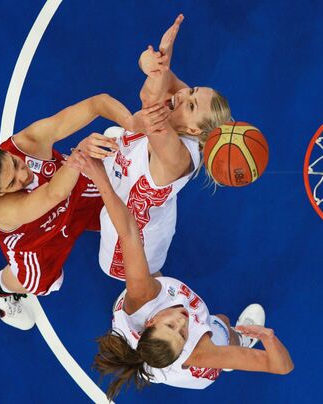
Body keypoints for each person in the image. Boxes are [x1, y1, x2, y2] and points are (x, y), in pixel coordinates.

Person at [64, 154, 294, 400]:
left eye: (171, 325)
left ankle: (125, 163)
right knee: (223, 323)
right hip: (188, 368)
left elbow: (129, 232)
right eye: (182, 334)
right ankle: (239, 338)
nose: (183, 322)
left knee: (145, 270)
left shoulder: (142, 294)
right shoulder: (201, 353)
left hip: (144, 333)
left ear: (150, 323)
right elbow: (282, 366)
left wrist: (101, 177)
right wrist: (268, 338)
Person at [0, 93, 135, 329]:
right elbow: (52, 194)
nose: (23, 175)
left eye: (15, 164)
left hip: (72, 194)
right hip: (38, 240)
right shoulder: (2, 210)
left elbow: (97, 103)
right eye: (12, 183)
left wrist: (133, 124)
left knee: (127, 206)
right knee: (38, 283)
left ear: (8, 152)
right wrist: (80, 153)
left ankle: (110, 160)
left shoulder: (28, 141)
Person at [98, 14, 232, 280]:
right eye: (193, 90)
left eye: (191, 104)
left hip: (129, 242)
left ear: (194, 131)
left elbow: (149, 99)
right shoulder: (189, 122)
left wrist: (158, 62)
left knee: (144, 285)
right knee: (116, 135)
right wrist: (154, 62)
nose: (183, 95)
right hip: (135, 191)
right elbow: (168, 81)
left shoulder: (176, 157)